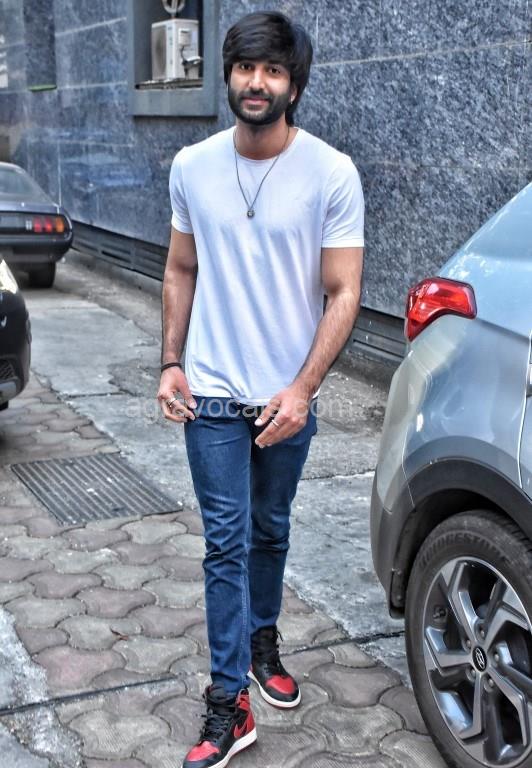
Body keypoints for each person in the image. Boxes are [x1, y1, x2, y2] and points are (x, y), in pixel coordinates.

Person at [157, 10, 364, 768]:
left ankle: (261, 641)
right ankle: (227, 703)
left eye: (273, 70)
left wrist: (303, 389)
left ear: (293, 86)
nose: (257, 82)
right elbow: (181, 268)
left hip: (286, 400)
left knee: (271, 529)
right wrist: (170, 361)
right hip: (211, 393)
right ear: (228, 76)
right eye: (246, 67)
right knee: (226, 544)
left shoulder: (331, 173)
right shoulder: (192, 166)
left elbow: (344, 291)